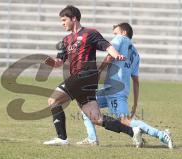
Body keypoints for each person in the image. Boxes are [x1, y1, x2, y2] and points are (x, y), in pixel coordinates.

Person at [42, 5, 143, 146]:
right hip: (84, 81)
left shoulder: (90, 33)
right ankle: (133, 131)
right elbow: (59, 61)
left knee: (53, 100)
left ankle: (62, 138)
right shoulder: (66, 41)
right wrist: (52, 62)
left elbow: (107, 46)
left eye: (64, 20)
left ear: (74, 18)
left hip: (85, 74)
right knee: (96, 118)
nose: (62, 23)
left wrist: (117, 55)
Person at [76, 23, 174, 149]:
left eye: (115, 33)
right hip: (113, 89)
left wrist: (98, 72)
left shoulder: (120, 39)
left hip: (115, 91)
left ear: (123, 32)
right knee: (85, 105)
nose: (114, 36)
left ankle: (161, 135)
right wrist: (136, 103)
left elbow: (110, 55)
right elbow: (136, 80)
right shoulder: (136, 54)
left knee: (125, 121)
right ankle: (92, 138)